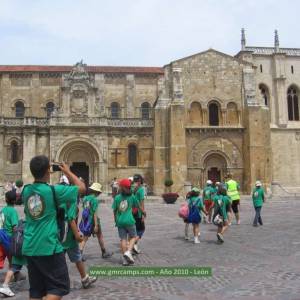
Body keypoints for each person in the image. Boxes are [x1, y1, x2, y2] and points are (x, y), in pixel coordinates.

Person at [22, 155, 86, 300]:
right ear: (48, 171)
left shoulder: (26, 191)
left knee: (36, 291)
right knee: (58, 288)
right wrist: (67, 172)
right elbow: (82, 188)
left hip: (30, 246)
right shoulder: (53, 191)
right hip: (49, 246)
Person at [58, 178, 97, 289]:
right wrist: (77, 234)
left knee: (75, 257)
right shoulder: (71, 201)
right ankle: (83, 278)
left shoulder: (59, 201)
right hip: (68, 237)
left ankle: (84, 278)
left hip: (60, 235)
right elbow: (71, 218)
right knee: (76, 258)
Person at [0, 190, 27, 297]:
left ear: (6, 200)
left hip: (1, 236)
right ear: (15, 200)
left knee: (6, 258)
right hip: (8, 237)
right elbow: (15, 227)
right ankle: (11, 279)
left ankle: (17, 275)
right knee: (14, 259)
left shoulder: (3, 210)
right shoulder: (12, 211)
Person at [79, 183, 113, 259]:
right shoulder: (94, 200)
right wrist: (96, 225)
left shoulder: (85, 198)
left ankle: (80, 253)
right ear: (96, 192)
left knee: (85, 237)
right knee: (99, 236)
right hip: (93, 221)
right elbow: (94, 213)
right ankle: (104, 252)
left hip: (86, 221)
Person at [112, 178, 139, 266]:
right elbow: (136, 206)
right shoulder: (132, 196)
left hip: (120, 221)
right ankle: (128, 252)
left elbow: (114, 210)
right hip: (130, 220)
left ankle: (125, 260)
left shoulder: (117, 197)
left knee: (123, 239)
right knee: (134, 237)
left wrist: (116, 220)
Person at [132, 174, 146, 254]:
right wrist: (143, 213)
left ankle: (134, 247)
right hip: (138, 212)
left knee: (134, 230)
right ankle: (131, 244)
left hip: (132, 211)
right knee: (141, 229)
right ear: (140, 180)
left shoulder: (133, 188)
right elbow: (141, 202)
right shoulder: (141, 189)